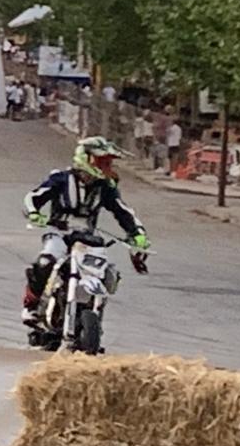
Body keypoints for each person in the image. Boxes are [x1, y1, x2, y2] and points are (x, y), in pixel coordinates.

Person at [20, 136, 150, 329]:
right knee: (45, 261)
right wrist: (34, 213)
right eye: (102, 162)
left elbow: (123, 211)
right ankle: (31, 305)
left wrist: (138, 234)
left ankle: (94, 311)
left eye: (108, 163)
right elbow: (34, 197)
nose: (107, 167)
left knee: (106, 273)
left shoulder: (105, 187)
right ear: (86, 159)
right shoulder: (61, 179)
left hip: (88, 239)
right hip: (59, 233)